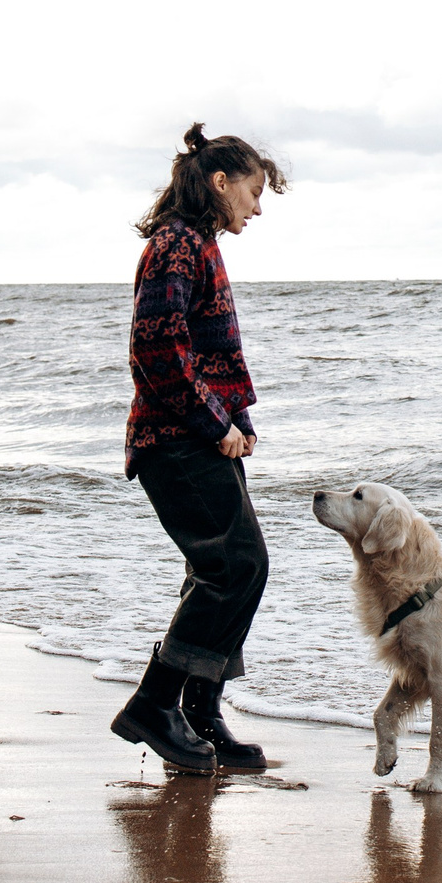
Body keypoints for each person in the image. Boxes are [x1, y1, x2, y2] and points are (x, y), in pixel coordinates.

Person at [110, 122, 288, 774]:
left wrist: (235, 421)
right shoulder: (176, 244)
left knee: (224, 570)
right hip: (175, 440)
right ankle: (154, 704)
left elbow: (202, 350)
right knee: (237, 567)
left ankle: (200, 712)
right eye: (253, 191)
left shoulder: (198, 244)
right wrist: (217, 424)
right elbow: (157, 348)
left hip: (202, 439)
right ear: (219, 182)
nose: (257, 207)